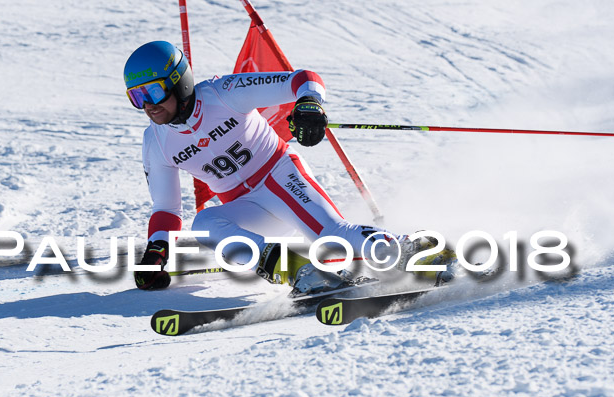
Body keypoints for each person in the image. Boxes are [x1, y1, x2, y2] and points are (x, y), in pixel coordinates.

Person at [124, 41, 455, 293]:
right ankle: (302, 273)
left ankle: (415, 250)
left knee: (333, 236)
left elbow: (304, 79)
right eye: (137, 98)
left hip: (280, 177)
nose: (148, 106)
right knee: (205, 223)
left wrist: (308, 103)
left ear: (180, 82)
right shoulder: (156, 141)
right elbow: (166, 207)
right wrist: (157, 251)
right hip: (247, 208)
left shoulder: (223, 93)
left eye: (153, 91)